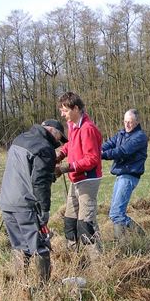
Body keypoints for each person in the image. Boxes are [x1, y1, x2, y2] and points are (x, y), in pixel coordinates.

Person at [0, 119, 67, 283]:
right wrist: (44, 209)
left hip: (6, 202)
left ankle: (20, 285)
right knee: (40, 247)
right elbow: (40, 182)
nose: (59, 142)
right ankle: (44, 288)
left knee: (20, 247)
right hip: (25, 205)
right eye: (59, 137)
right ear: (52, 131)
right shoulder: (44, 148)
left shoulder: (20, 138)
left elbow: (27, 171)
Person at [55, 92, 103, 255]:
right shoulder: (73, 126)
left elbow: (92, 159)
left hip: (88, 180)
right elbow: (70, 146)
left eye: (65, 110)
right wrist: (60, 154)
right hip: (76, 180)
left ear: (75, 108)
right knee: (70, 221)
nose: (62, 114)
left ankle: (97, 264)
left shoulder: (87, 129)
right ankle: (74, 259)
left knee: (86, 224)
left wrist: (66, 168)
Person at [102, 109, 148, 240]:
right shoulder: (121, 133)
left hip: (129, 176)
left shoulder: (140, 137)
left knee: (117, 213)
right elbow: (109, 143)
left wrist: (101, 155)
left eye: (130, 122)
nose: (127, 125)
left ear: (137, 122)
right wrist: (96, 149)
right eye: (125, 121)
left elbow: (122, 151)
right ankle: (122, 242)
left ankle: (139, 237)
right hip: (121, 175)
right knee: (114, 213)